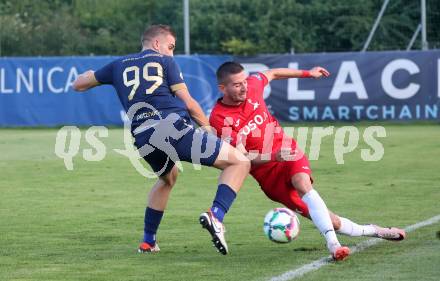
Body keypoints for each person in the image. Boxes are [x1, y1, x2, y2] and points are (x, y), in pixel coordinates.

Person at [72, 25, 250, 255]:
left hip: (143, 137)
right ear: (156, 44)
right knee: (239, 162)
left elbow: (79, 84)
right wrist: (209, 130)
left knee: (168, 178)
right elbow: (189, 103)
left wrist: (88, 74)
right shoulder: (165, 62)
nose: (171, 53)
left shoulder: (118, 65)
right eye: (170, 46)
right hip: (172, 129)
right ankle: (216, 216)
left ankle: (148, 242)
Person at [209, 62, 406, 261]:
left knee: (303, 184)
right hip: (268, 176)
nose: (244, 87)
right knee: (332, 221)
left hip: (287, 150)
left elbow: (274, 73)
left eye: (245, 81)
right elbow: (241, 159)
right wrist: (272, 157)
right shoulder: (219, 118)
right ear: (222, 88)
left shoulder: (253, 85)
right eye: (237, 85)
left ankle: (333, 244)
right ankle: (376, 231)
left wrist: (308, 74)